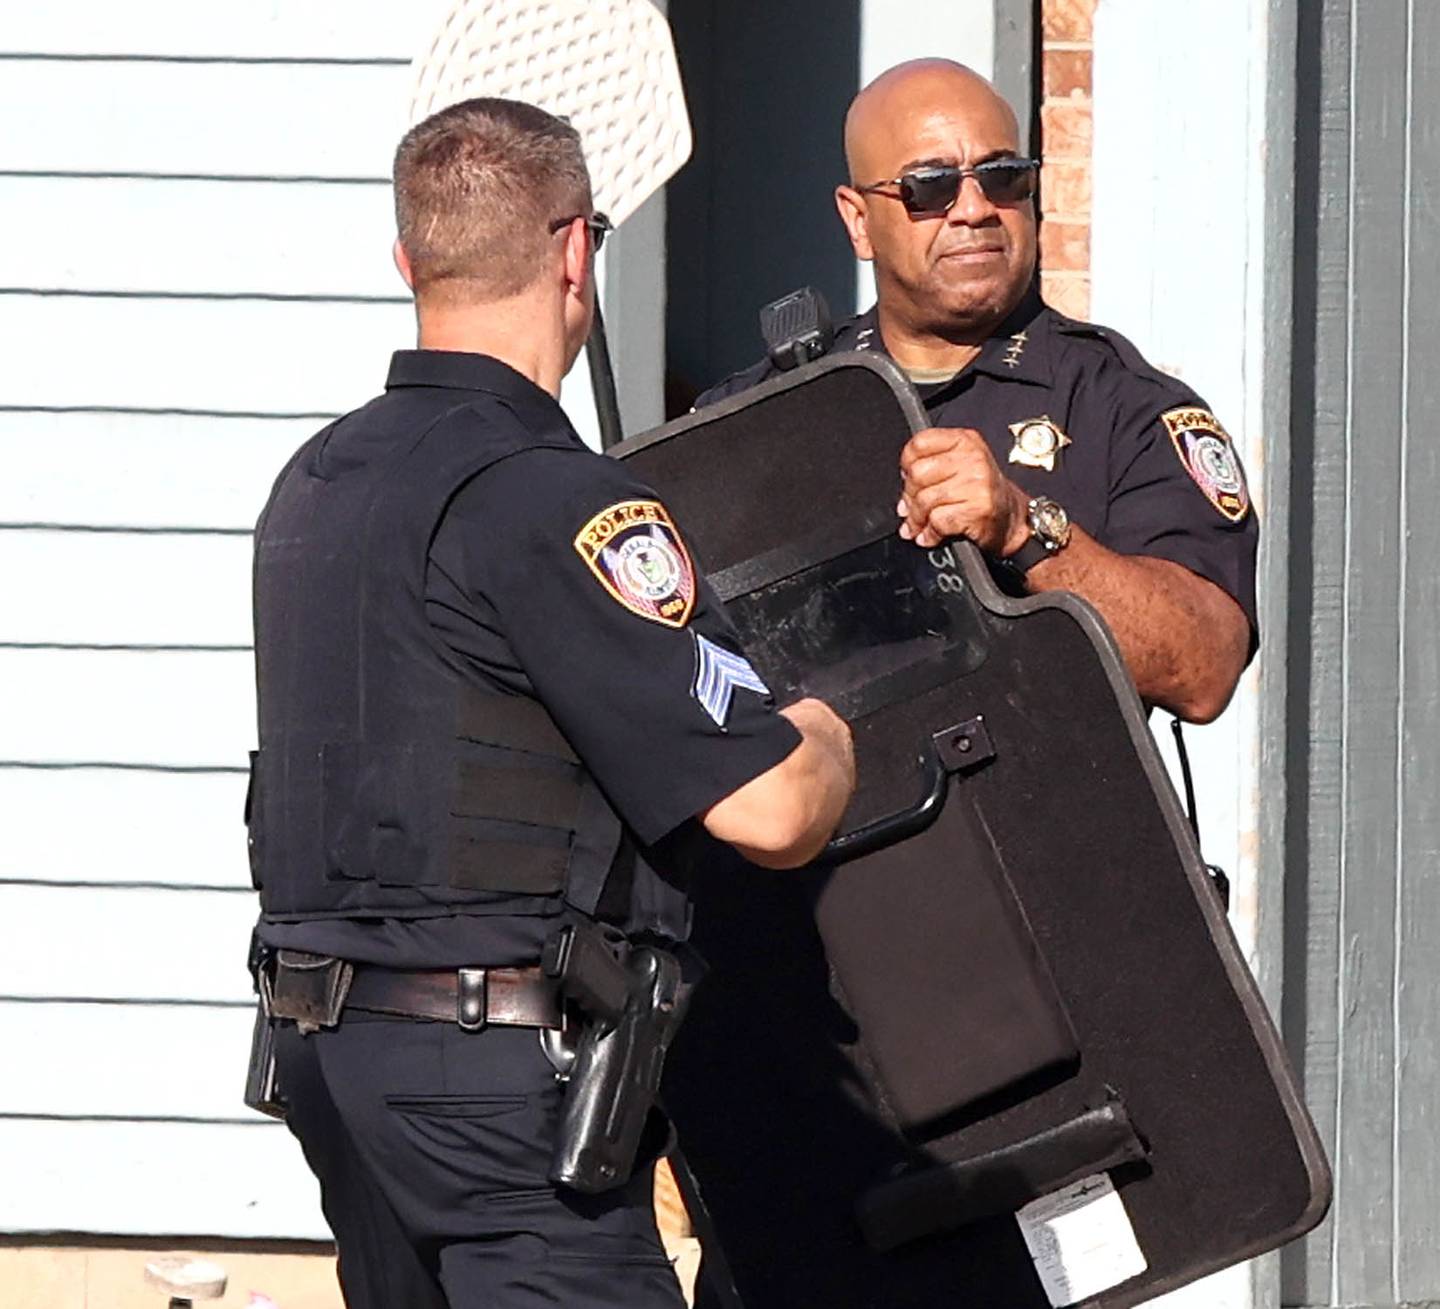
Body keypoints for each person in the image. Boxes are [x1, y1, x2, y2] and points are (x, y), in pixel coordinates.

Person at [246, 98, 855, 1309]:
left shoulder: (310, 484)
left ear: (410, 262)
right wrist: (827, 730)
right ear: (576, 252)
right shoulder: (555, 502)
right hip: (497, 1091)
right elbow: (774, 809)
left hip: (327, 1055)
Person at [698, 59, 1258, 724]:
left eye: (1002, 178)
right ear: (857, 220)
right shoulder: (765, 412)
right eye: (928, 187)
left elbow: (1204, 666)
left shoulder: (1123, 405)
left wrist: (1026, 531)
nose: (973, 210)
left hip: (1053, 818)